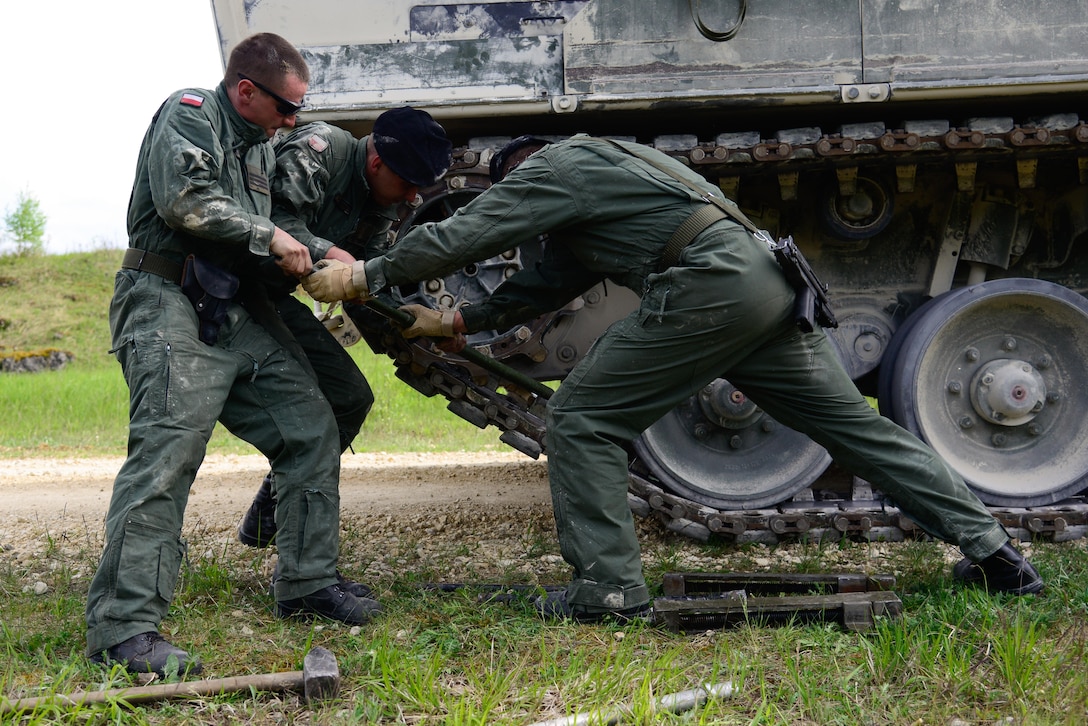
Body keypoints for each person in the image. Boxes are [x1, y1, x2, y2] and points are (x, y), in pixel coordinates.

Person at [300, 133, 1044, 622]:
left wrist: (371, 273)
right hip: (770, 281)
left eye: (516, 194)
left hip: (709, 286)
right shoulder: (617, 169)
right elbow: (549, 280)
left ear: (522, 169)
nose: (520, 208)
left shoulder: (555, 167)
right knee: (858, 429)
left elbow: (470, 231)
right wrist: (462, 324)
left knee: (584, 419)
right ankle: (997, 554)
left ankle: (610, 590)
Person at [85, 33, 380, 678]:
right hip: (165, 297)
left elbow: (278, 227)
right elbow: (186, 203)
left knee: (311, 426)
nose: (295, 122)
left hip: (227, 305)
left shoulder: (260, 148)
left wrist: (323, 249)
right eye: (285, 108)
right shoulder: (189, 113)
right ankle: (123, 629)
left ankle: (306, 582)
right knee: (168, 455)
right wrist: (269, 234)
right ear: (245, 90)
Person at [236, 108, 453, 560]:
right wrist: (333, 253)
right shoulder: (322, 150)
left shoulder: (385, 201)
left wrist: (412, 326)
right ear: (376, 163)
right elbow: (268, 219)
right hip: (233, 289)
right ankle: (301, 551)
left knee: (350, 397)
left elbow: (364, 283)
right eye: (409, 182)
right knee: (310, 412)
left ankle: (271, 504)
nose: (414, 196)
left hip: (273, 299)